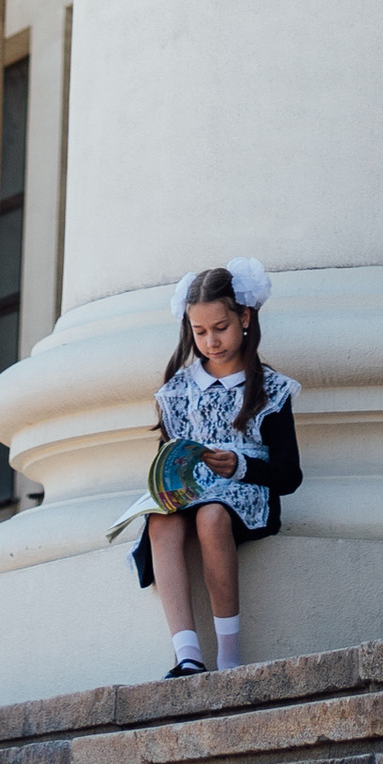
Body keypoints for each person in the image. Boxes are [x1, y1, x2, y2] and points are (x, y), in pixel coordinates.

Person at [132, 257, 301, 674]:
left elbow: (289, 474)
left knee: (211, 516)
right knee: (160, 521)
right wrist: (168, 479)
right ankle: (187, 654)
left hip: (245, 492)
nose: (211, 341)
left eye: (220, 328)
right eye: (200, 331)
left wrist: (240, 466)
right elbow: (169, 453)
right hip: (191, 490)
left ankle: (228, 656)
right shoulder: (178, 389)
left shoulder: (271, 389)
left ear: (244, 317)